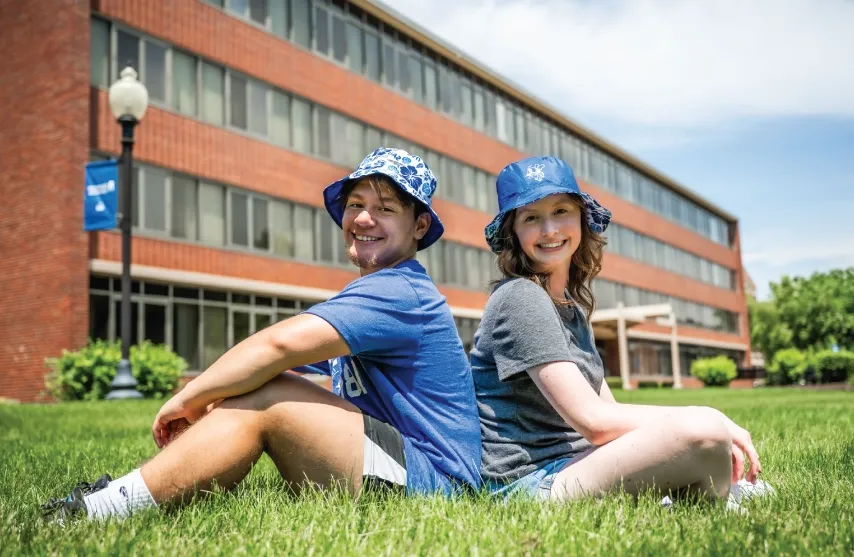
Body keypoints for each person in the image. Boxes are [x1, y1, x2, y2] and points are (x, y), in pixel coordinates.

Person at [42, 148, 481, 522]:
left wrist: (188, 396)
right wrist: (222, 390)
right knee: (251, 381)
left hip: (435, 485)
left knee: (267, 395)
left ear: (419, 226)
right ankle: (118, 497)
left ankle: (102, 509)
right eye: (354, 205)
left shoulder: (400, 290)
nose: (363, 218)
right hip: (399, 467)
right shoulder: (379, 291)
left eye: (386, 208)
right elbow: (267, 361)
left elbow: (277, 346)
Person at [471, 155, 764, 504]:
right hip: (529, 484)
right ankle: (715, 498)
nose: (549, 230)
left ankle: (708, 497)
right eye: (531, 218)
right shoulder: (521, 298)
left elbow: (610, 412)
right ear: (513, 233)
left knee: (699, 435)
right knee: (701, 430)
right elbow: (595, 422)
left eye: (561, 211)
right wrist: (710, 420)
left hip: (576, 465)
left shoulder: (570, 309)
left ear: (581, 218)